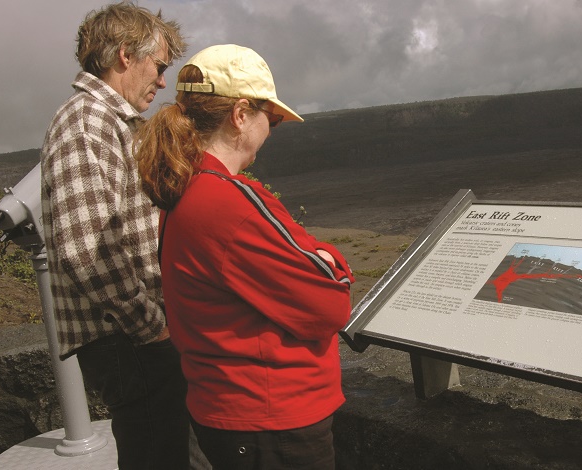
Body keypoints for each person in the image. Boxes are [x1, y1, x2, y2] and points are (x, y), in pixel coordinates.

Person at [135, 44, 354, 470]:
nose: (270, 130)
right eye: (268, 118)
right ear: (240, 115)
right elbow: (330, 304)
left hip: (234, 412)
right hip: (270, 421)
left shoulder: (187, 190)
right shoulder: (227, 203)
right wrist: (328, 258)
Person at [39, 3, 202, 469]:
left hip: (132, 337)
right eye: (159, 66)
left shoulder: (108, 120)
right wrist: (152, 326)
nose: (163, 81)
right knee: (158, 455)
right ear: (126, 55)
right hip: (129, 340)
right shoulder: (87, 121)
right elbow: (83, 251)